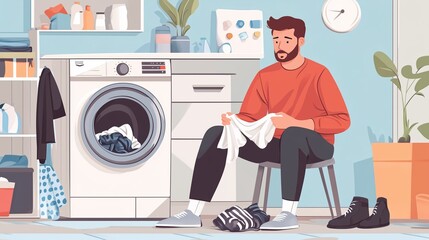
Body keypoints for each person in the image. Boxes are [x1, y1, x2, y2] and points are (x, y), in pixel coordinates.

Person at [157, 15, 350, 230]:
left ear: (300, 41)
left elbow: (342, 120)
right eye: (276, 40)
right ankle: (192, 212)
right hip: (276, 143)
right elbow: (251, 117)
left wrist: (296, 122)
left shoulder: (319, 73)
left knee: (292, 134)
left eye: (286, 39)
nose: (280, 45)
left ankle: (288, 213)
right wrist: (234, 121)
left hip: (316, 145)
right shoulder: (265, 76)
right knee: (216, 133)